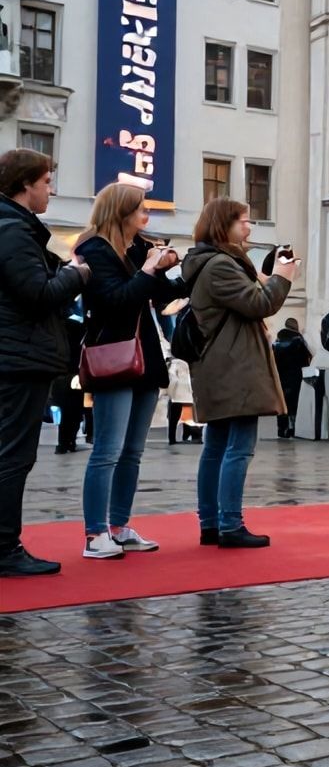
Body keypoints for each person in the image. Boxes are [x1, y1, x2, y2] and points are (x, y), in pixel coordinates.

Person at [74, 183, 186, 559]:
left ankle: (119, 527)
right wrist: (149, 270)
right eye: (140, 209)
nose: (146, 216)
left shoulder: (138, 247)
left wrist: (181, 267)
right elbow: (116, 301)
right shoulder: (94, 250)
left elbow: (163, 295)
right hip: (112, 356)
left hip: (146, 357)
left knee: (133, 452)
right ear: (120, 211)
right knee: (107, 449)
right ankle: (94, 535)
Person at [184, 198, 296, 548]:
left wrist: (266, 276)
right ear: (224, 226)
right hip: (235, 366)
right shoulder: (220, 265)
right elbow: (260, 303)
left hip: (222, 363)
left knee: (216, 445)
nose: (249, 228)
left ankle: (212, 523)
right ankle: (229, 523)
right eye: (244, 222)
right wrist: (282, 278)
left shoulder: (213, 262)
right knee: (237, 448)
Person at [0, 149, 90, 577]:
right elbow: (37, 294)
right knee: (13, 456)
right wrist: (76, 274)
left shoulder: (16, 230)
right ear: (25, 185)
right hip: (17, 360)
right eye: (47, 182)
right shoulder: (13, 232)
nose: (51, 190)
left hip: (16, 355)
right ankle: (4, 547)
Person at [51, 304, 86, 454]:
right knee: (75, 409)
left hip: (59, 372)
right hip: (75, 372)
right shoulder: (77, 327)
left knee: (64, 409)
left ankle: (63, 442)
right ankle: (70, 441)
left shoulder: (52, 329)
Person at [272, 317, 311, 439]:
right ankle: (292, 428)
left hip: (280, 376)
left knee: (282, 403)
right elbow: (306, 360)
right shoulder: (299, 341)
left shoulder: (277, 342)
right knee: (294, 403)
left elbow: (273, 360)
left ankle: (281, 429)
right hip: (295, 375)